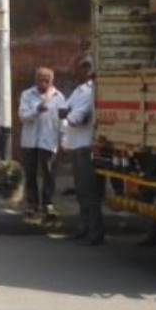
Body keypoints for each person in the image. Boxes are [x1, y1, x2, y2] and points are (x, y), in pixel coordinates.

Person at [60, 55, 104, 246]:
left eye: (87, 67)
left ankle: (95, 232)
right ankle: (84, 228)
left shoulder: (92, 91)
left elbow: (77, 116)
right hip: (75, 143)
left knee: (89, 193)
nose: (84, 71)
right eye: (82, 67)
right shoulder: (79, 90)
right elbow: (64, 108)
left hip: (86, 145)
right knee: (81, 192)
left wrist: (67, 117)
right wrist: (65, 115)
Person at [17, 66, 66, 223]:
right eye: (40, 80)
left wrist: (64, 140)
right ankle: (32, 203)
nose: (43, 83)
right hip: (30, 141)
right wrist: (37, 110)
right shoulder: (27, 95)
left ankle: (48, 203)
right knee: (30, 173)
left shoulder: (59, 97)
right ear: (35, 80)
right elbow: (23, 116)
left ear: (52, 80)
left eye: (47, 80)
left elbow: (62, 121)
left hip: (49, 141)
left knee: (49, 174)